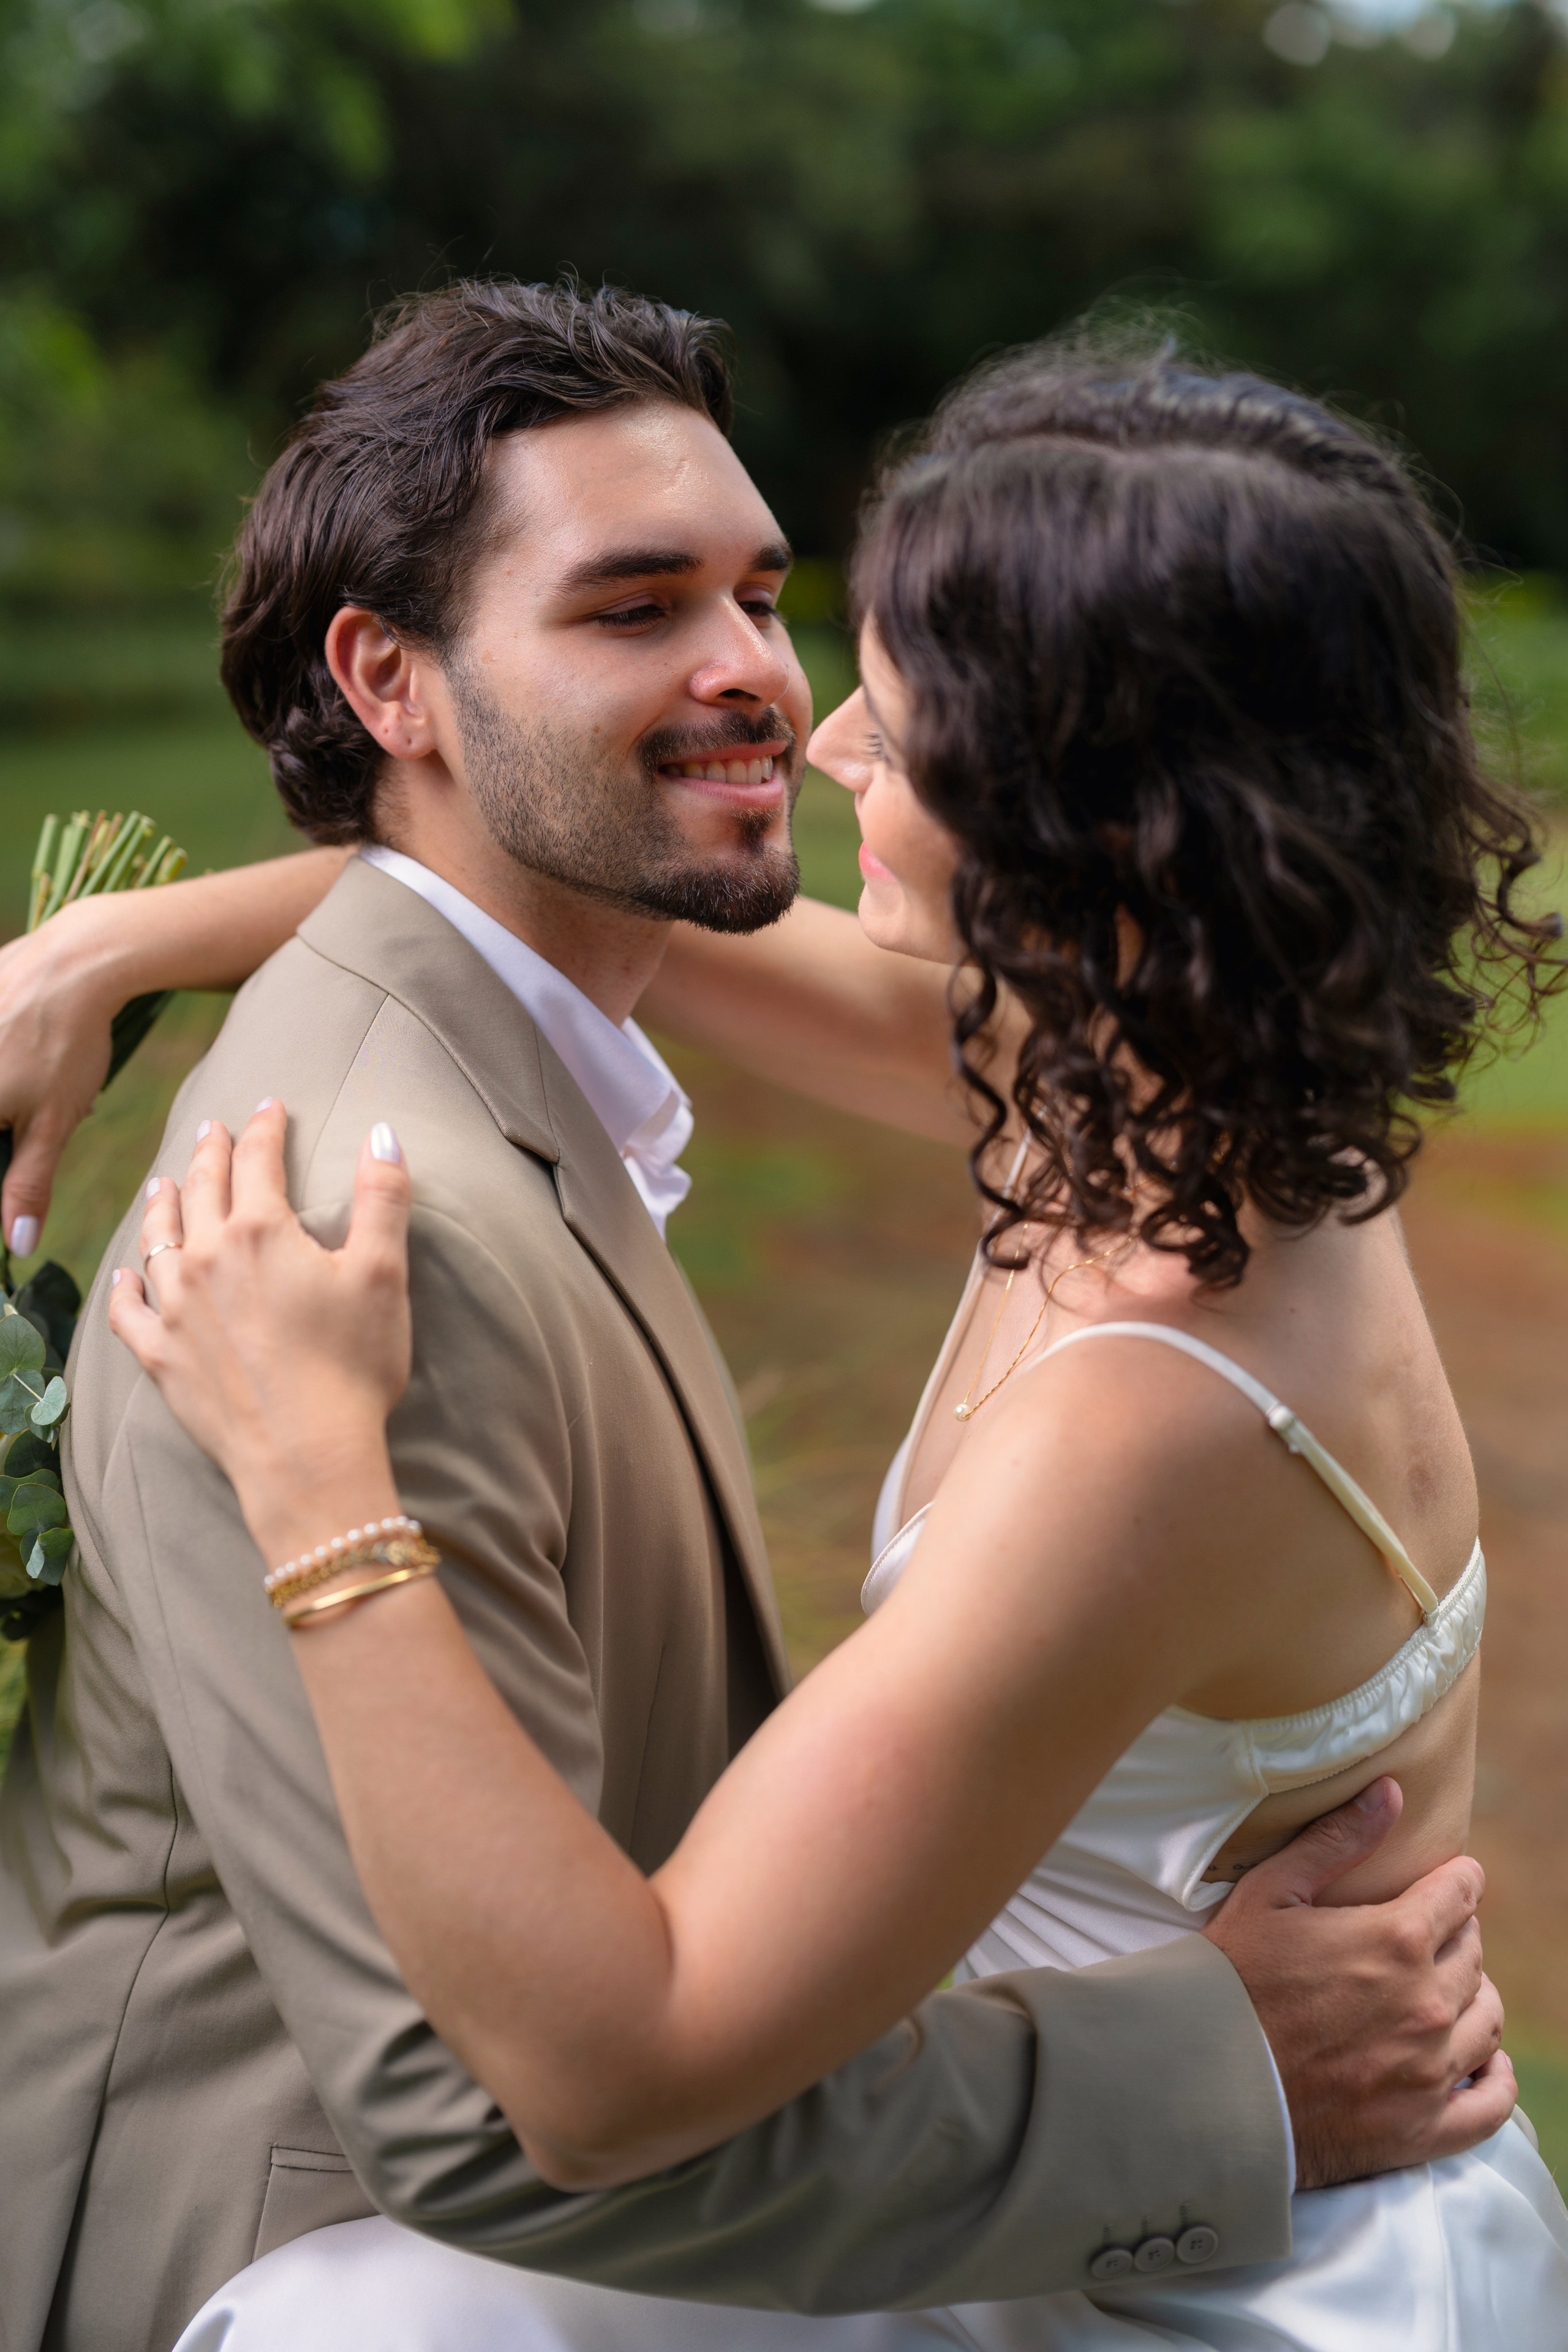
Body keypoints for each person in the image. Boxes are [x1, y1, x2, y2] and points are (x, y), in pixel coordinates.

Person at [0, 290, 1520, 2350]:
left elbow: (626, 2062)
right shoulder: (1196, 1076)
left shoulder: (1152, 1419)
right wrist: (107, 949)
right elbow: (587, 896)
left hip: (1210, 2255)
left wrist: (317, 1487)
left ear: (1088, 827)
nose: (814, 740)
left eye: (894, 728)